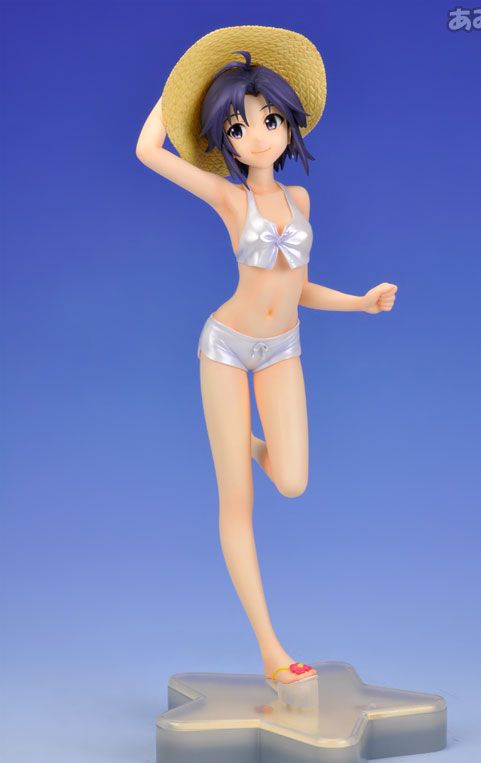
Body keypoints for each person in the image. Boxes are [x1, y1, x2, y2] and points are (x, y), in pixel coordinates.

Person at [136, 26, 398, 706]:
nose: (256, 137)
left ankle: (242, 442)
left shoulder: (300, 202)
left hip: (283, 349)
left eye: (269, 121)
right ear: (225, 138)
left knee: (292, 481)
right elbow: (147, 151)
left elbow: (297, 289)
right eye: (238, 126)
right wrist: (178, 88)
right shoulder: (232, 199)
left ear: (288, 125)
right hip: (226, 347)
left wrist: (360, 303)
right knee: (238, 504)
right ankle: (273, 654)